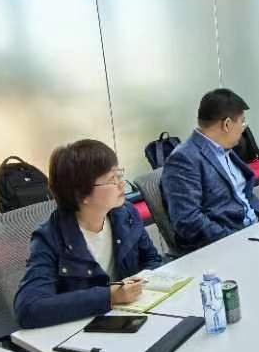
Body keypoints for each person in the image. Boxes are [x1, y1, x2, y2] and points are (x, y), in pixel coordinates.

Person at [15, 140, 161, 329]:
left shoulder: (126, 215)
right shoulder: (50, 238)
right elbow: (29, 308)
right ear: (81, 194)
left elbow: (151, 260)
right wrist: (109, 296)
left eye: (119, 174)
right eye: (112, 179)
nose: (122, 184)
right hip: (83, 330)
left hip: (134, 317)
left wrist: (143, 282)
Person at [161, 88, 259, 252]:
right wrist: (237, 240)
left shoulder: (225, 148)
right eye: (242, 122)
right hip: (225, 244)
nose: (243, 128)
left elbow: (244, 195)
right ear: (227, 124)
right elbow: (188, 221)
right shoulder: (183, 159)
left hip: (254, 230)